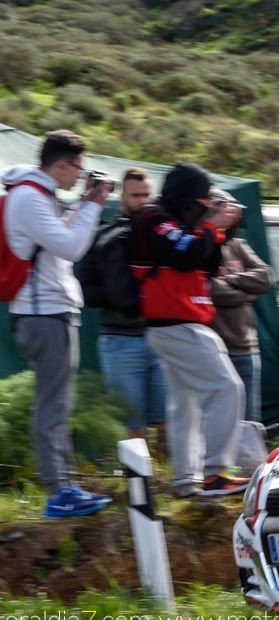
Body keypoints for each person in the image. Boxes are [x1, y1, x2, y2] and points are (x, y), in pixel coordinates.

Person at [2, 130, 112, 518]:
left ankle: (65, 487)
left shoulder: (36, 194)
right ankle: (58, 491)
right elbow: (71, 247)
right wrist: (93, 205)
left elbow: (57, 241)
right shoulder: (30, 197)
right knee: (53, 404)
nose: (80, 176)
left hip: (47, 311)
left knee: (59, 402)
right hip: (43, 313)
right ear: (61, 165)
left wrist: (81, 204)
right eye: (78, 169)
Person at [128, 163, 248, 498]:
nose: (208, 204)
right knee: (227, 388)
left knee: (186, 405)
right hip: (175, 324)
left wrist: (221, 229)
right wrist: (209, 225)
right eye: (204, 198)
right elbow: (185, 256)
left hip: (182, 322)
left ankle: (186, 479)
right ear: (187, 194)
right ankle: (215, 473)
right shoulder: (155, 218)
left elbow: (205, 263)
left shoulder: (181, 222)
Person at [77, 167, 167, 449]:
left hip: (163, 336)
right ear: (122, 196)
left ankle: (172, 475)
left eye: (146, 195)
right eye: (135, 195)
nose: (142, 201)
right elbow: (86, 288)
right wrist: (123, 297)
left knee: (170, 421)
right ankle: (138, 477)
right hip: (120, 338)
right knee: (131, 425)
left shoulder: (164, 234)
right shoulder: (104, 235)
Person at [208, 189, 275, 423]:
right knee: (220, 420)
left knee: (249, 422)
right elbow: (208, 288)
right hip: (216, 348)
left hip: (247, 348)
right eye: (225, 206)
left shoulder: (238, 245)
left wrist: (231, 278)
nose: (232, 212)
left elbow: (267, 276)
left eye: (234, 207)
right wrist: (244, 293)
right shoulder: (202, 245)